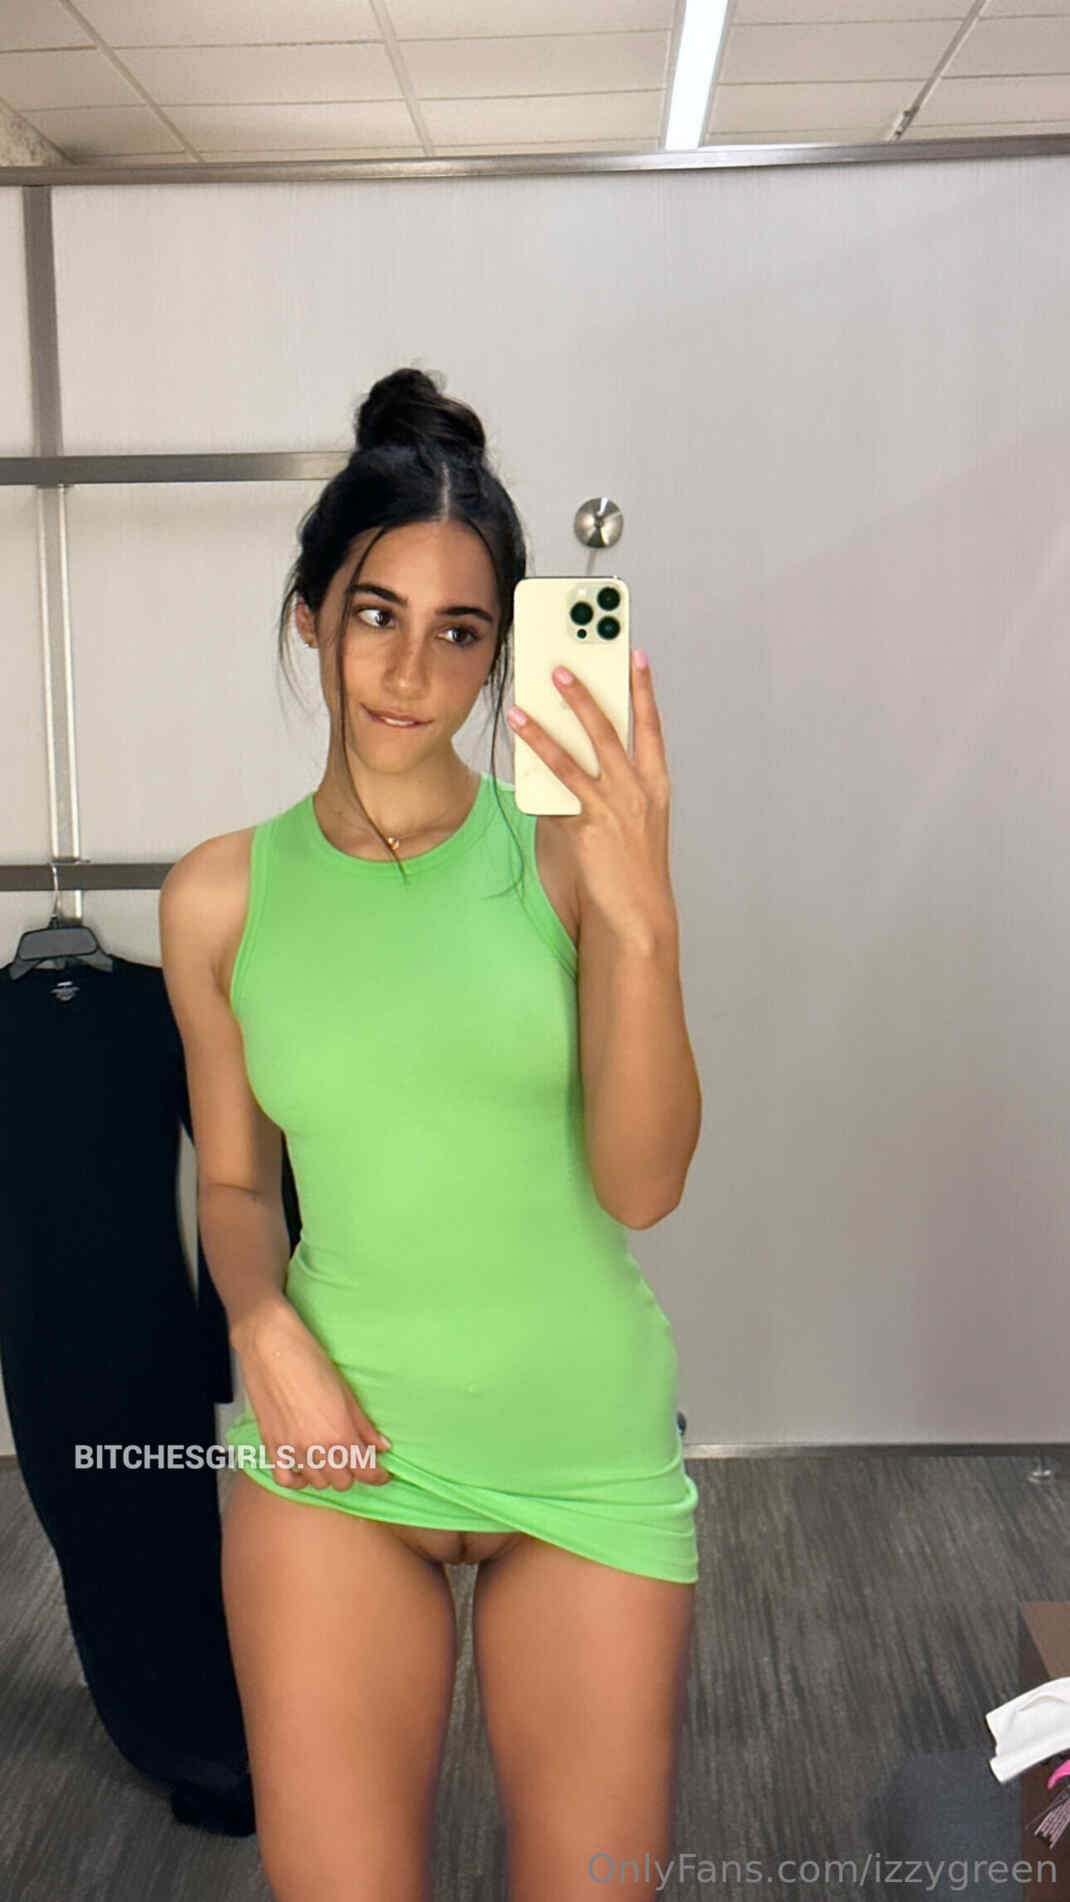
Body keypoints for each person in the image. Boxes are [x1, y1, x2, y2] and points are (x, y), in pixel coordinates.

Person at [159, 365, 703, 1902]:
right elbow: (232, 1179)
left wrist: (645, 919)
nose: (409, 669)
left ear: (496, 658)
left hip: (579, 1453)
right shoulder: (217, 897)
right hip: (337, 1449)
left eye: (459, 632)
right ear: (310, 618)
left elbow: (643, 1186)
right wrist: (261, 1326)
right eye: (375, 613)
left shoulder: (572, 864)